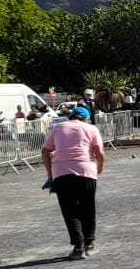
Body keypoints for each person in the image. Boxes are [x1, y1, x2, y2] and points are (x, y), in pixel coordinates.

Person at [41, 105, 106, 260]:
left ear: (71, 117)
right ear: (85, 118)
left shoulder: (58, 128)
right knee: (88, 209)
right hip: (86, 171)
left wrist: (50, 175)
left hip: (61, 173)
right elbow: (100, 153)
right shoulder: (91, 128)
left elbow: (45, 151)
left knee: (70, 211)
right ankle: (89, 245)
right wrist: (98, 169)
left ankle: (78, 248)